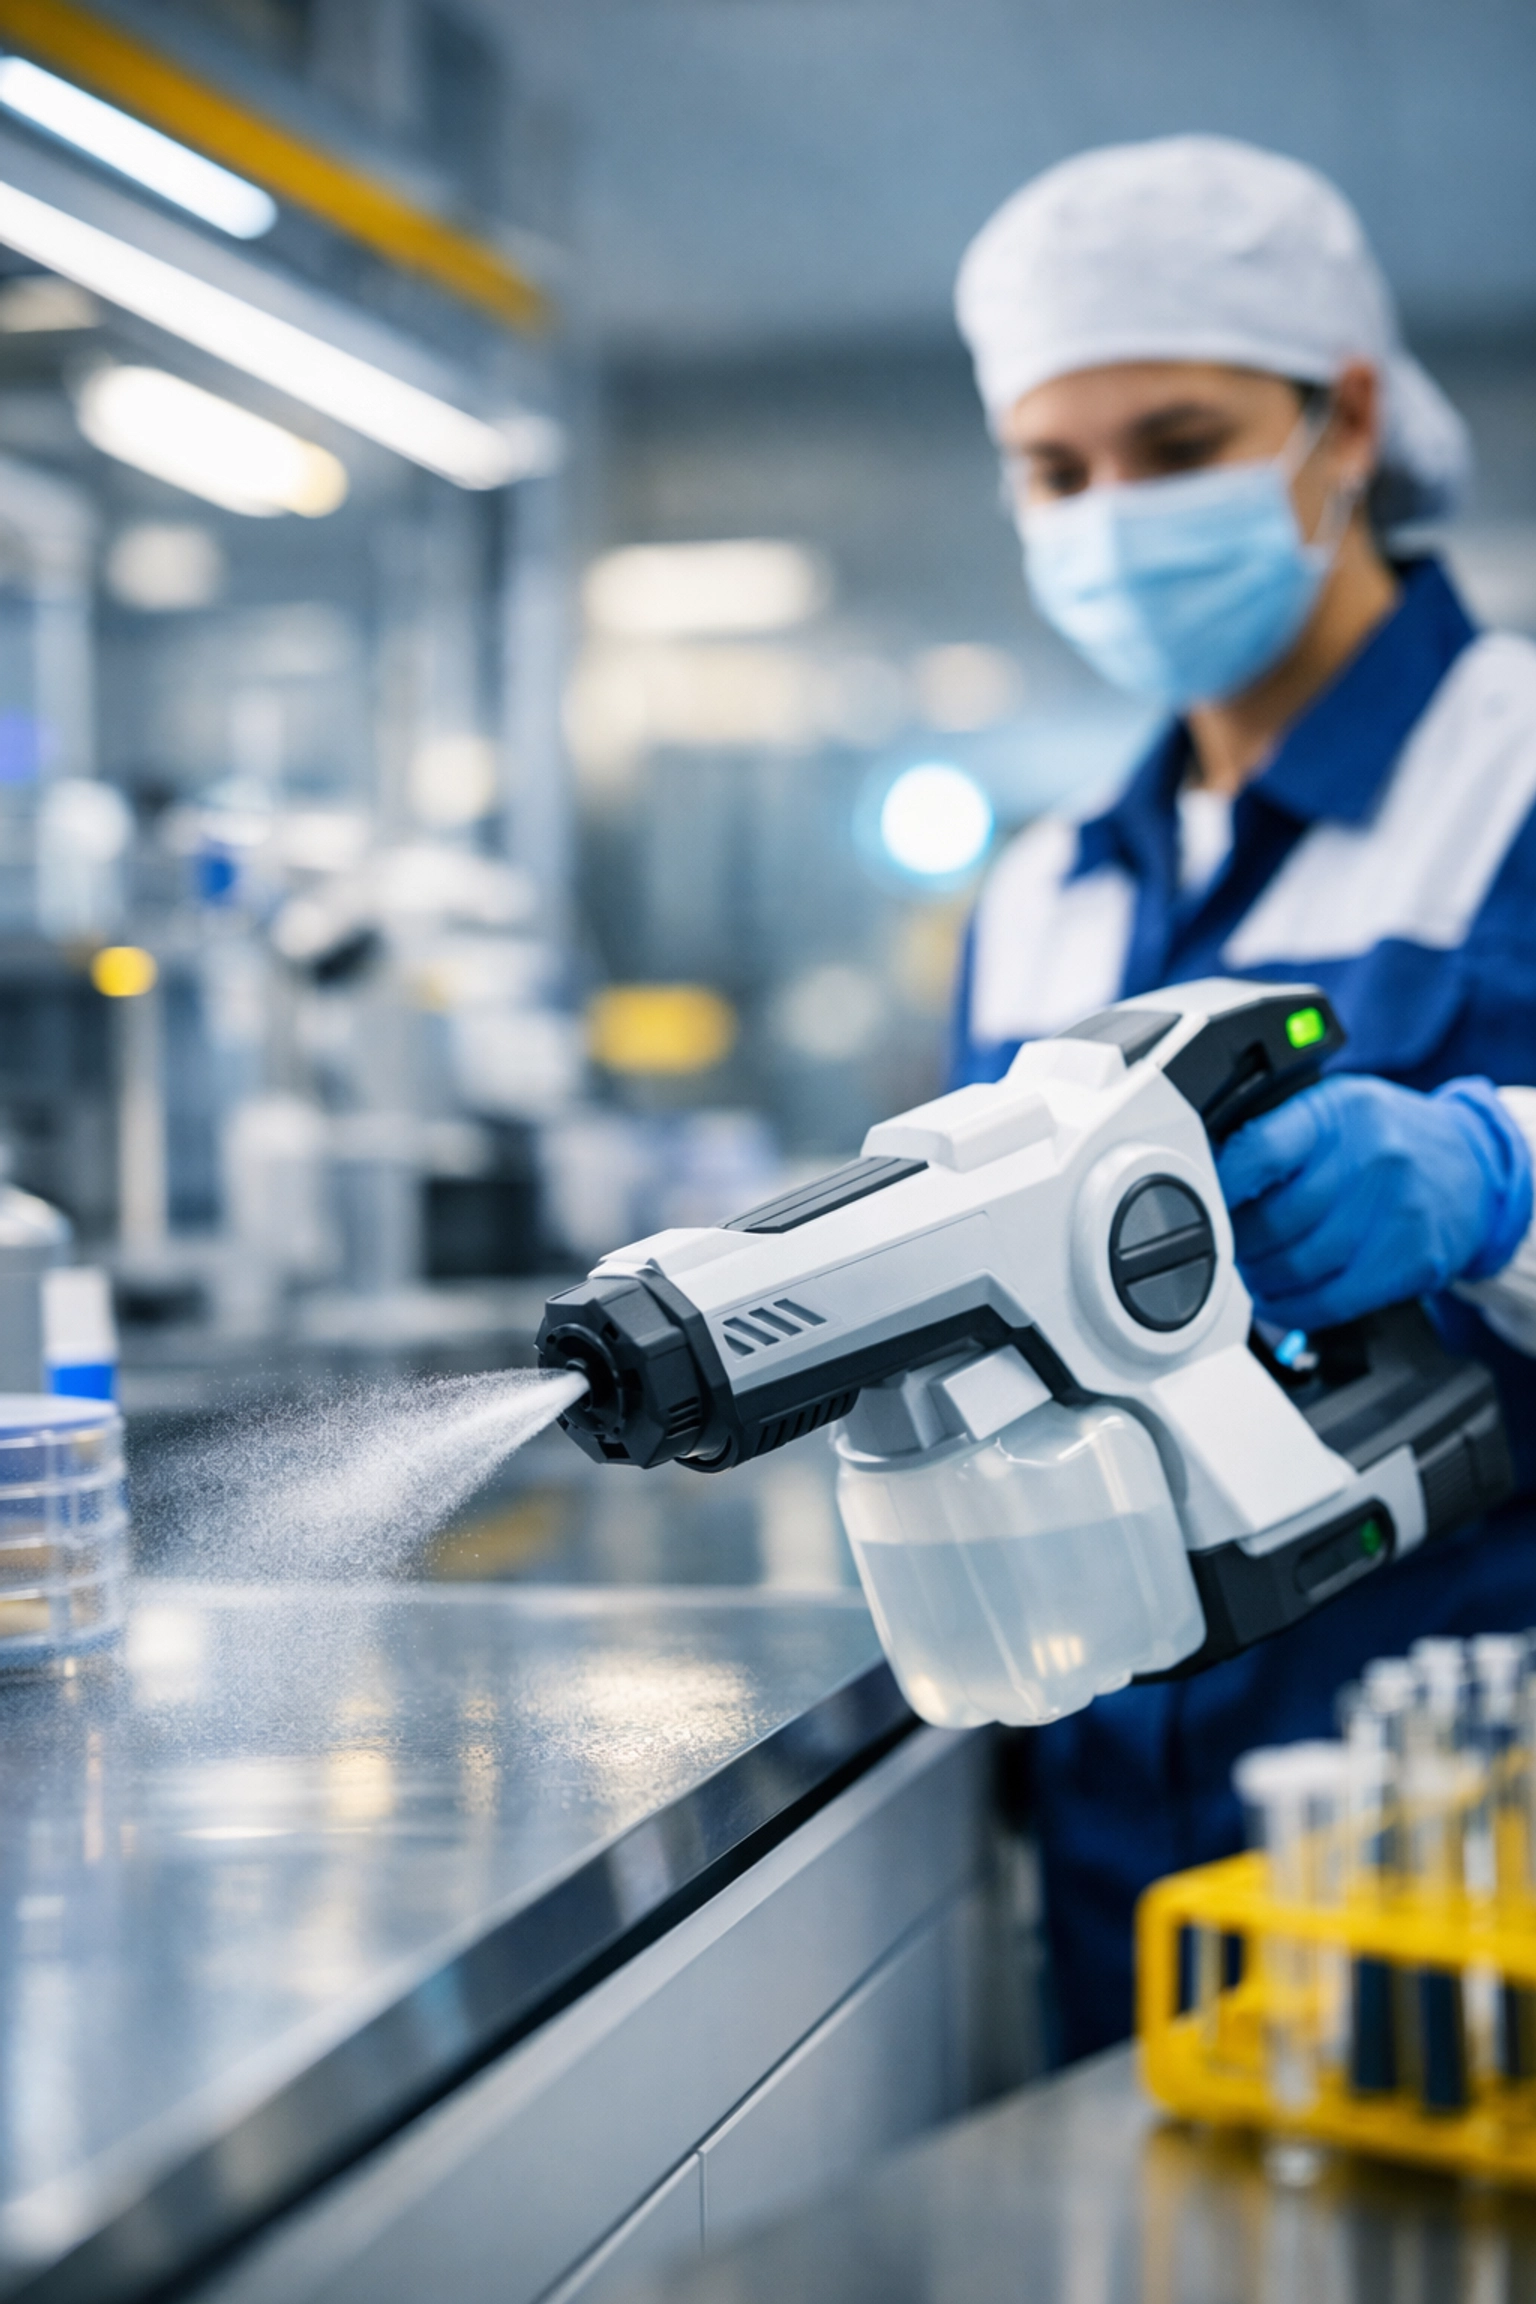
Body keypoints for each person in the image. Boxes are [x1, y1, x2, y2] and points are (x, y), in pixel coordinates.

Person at [950, 135, 1536, 2062]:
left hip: (1468, 1789)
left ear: (1344, 419)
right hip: (1125, 1811)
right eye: (1058, 472)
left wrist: (1492, 1175)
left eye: (1178, 441)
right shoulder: (1047, 886)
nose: (1112, 513)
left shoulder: (1513, 765)